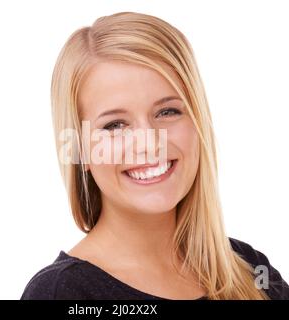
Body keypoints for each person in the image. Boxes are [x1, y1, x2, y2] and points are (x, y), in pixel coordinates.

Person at [21, 11, 289, 300]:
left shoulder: (250, 269)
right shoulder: (63, 293)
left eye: (167, 111)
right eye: (115, 125)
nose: (148, 143)